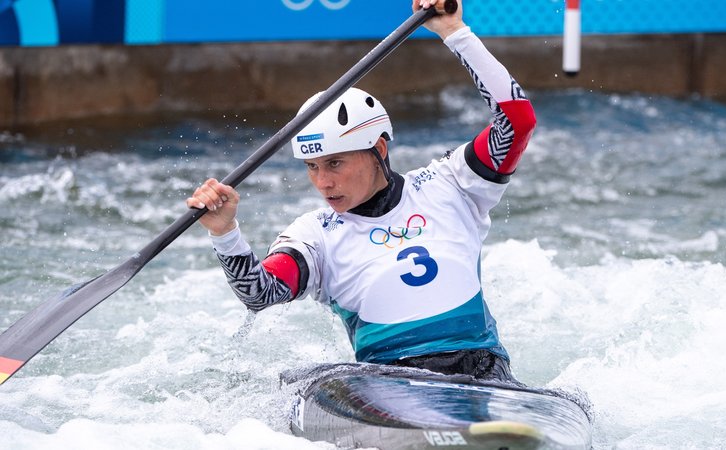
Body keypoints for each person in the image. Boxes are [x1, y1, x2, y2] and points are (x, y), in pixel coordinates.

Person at [186, 0, 535, 384]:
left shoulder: (451, 185)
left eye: (335, 163)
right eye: (312, 167)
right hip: (387, 383)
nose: (323, 182)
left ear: (379, 150)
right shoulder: (315, 236)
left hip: (484, 373)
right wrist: (225, 233)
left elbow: (517, 121)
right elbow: (260, 293)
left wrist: (454, 32)